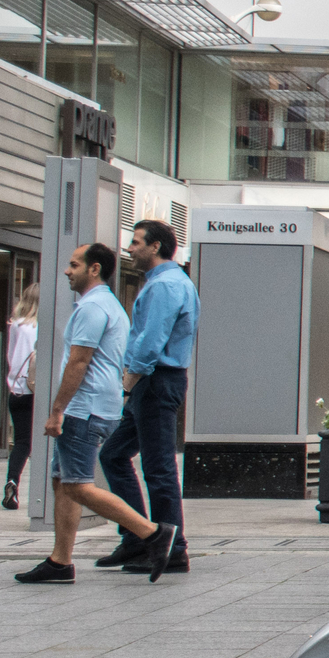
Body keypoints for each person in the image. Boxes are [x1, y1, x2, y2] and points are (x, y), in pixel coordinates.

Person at [13, 244, 176, 584]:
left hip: (83, 409)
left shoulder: (92, 308)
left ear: (94, 269)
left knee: (78, 485)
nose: (67, 271)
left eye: (74, 265)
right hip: (94, 407)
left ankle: (151, 533)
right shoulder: (107, 305)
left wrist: (57, 409)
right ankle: (60, 562)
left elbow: (79, 361)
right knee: (63, 483)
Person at [95, 219, 198, 574]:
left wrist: (127, 382)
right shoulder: (167, 282)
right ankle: (139, 538)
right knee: (113, 454)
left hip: (154, 381)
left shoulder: (165, 286)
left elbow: (151, 341)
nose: (130, 248)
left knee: (158, 468)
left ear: (156, 246)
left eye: (137, 242)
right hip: (155, 382)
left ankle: (172, 548)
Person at [3, 283, 34, 510]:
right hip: (38, 390)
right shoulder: (44, 326)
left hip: (17, 389)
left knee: (22, 442)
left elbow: (10, 355)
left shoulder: (15, 325)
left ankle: (12, 481)